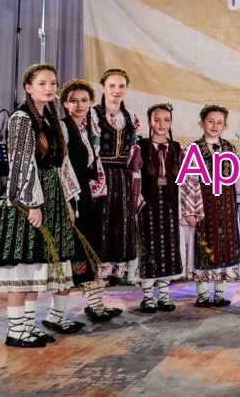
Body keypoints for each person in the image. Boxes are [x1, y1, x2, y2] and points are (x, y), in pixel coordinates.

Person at [0, 64, 80, 348]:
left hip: (51, 197)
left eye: (52, 83)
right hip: (27, 199)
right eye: (42, 83)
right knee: (23, 265)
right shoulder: (21, 118)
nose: (49, 88)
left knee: (36, 265)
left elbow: (61, 165)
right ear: (28, 88)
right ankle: (16, 330)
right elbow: (20, 163)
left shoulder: (52, 121)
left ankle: (28, 325)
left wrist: (68, 202)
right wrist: (32, 204)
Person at [52, 79, 108, 328]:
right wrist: (67, 203)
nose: (79, 105)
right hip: (70, 197)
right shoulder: (62, 128)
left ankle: (95, 306)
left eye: (84, 100)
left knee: (88, 252)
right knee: (69, 256)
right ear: (65, 103)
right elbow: (61, 169)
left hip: (85, 196)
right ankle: (55, 316)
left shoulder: (86, 130)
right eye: (73, 100)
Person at [90, 68, 140, 304]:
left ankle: (102, 300)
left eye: (121, 86)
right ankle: (94, 302)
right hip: (99, 178)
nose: (116, 91)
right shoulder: (93, 115)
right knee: (98, 232)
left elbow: (132, 155)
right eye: (112, 86)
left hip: (122, 179)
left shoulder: (131, 118)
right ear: (103, 88)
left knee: (117, 231)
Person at [130, 103, 185, 313]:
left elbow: (184, 179)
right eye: (157, 120)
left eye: (166, 120)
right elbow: (134, 176)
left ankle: (164, 295)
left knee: (168, 249)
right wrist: (135, 206)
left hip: (170, 205)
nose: (161, 124)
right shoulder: (141, 146)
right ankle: (147, 297)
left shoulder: (176, 148)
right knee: (149, 248)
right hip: (148, 205)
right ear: (150, 122)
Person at [189, 104, 240, 307]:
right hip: (204, 204)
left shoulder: (230, 148)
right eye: (210, 121)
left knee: (225, 247)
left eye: (219, 122)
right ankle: (203, 294)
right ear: (201, 123)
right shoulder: (193, 148)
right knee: (204, 247)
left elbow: (237, 178)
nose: (215, 125)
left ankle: (220, 292)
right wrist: (191, 210)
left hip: (226, 205)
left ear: (225, 126)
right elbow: (189, 182)